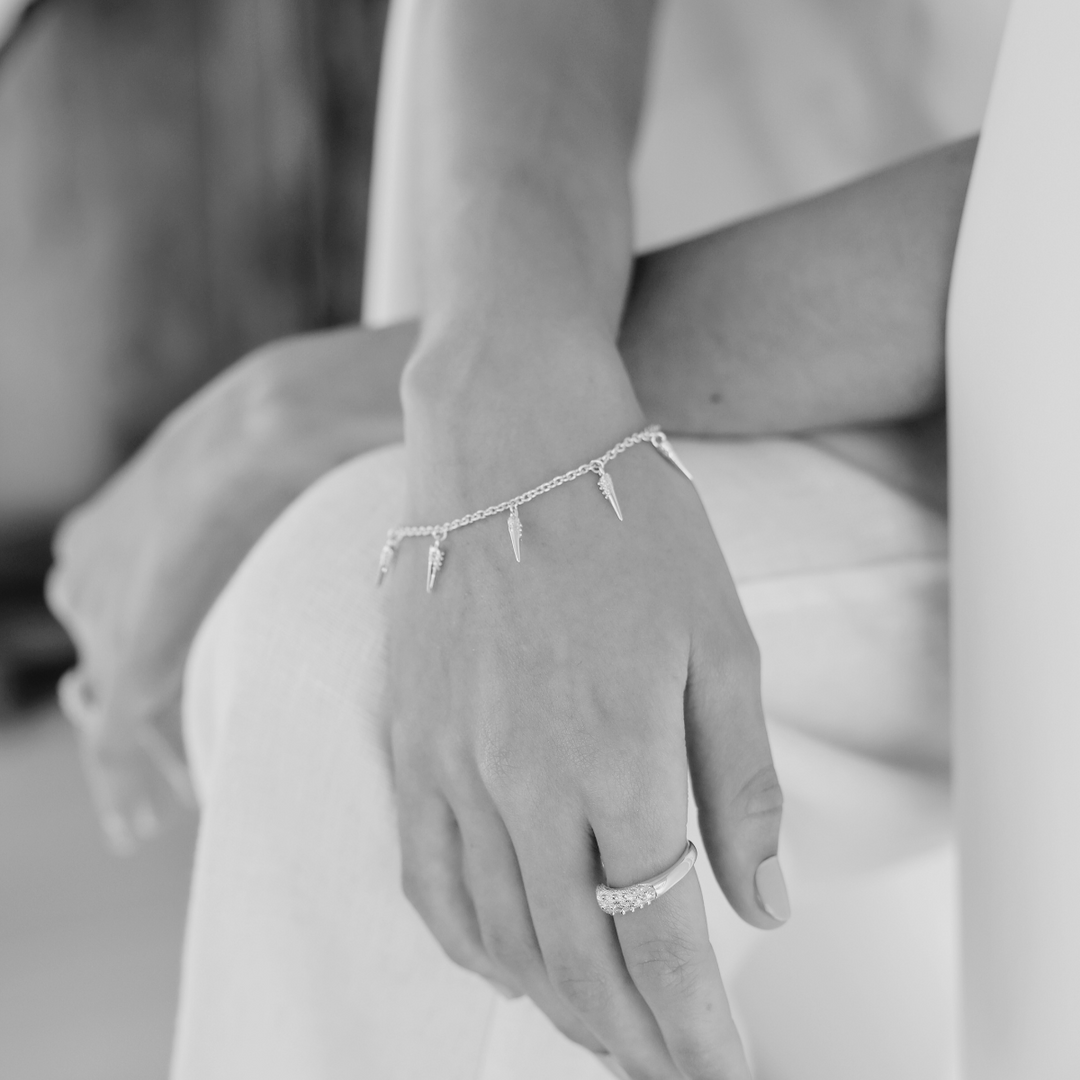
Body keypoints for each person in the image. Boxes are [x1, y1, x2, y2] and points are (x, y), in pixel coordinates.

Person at [49, 1, 1018, 1077]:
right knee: (394, 641)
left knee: (344, 641)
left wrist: (358, 393)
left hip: (1024, 407)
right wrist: (499, 354)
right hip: (641, 214)